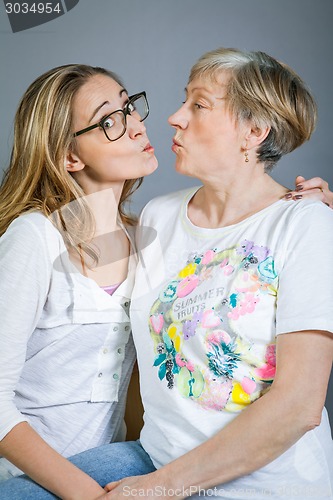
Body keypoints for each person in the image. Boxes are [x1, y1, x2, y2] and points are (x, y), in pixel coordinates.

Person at [1, 49, 333, 500]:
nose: (160, 121)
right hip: (112, 464)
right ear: (69, 156)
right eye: (110, 121)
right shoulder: (149, 221)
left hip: (225, 478)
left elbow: (296, 405)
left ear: (254, 132)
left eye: (198, 105)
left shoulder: (300, 223)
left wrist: (312, 216)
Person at [0, 64, 158, 498]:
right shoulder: (34, 239)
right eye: (111, 120)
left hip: (114, 469)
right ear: (70, 156)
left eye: (130, 107)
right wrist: (84, 493)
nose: (136, 125)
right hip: (28, 484)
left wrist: (298, 204)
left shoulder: (148, 236)